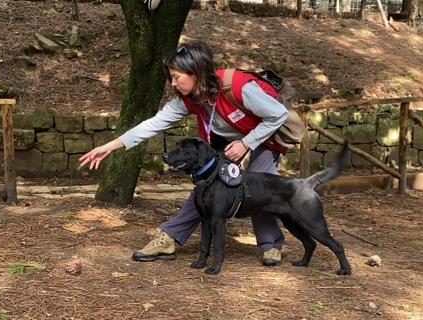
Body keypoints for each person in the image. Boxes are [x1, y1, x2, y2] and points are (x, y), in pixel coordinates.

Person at [78, 39, 290, 267]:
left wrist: (247, 143)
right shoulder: (190, 99)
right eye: (171, 77)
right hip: (228, 141)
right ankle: (168, 238)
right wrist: (110, 146)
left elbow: (277, 114)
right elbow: (153, 124)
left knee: (260, 187)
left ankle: (271, 245)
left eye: (177, 77)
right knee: (206, 186)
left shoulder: (237, 86)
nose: (173, 83)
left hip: (262, 136)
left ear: (196, 71)